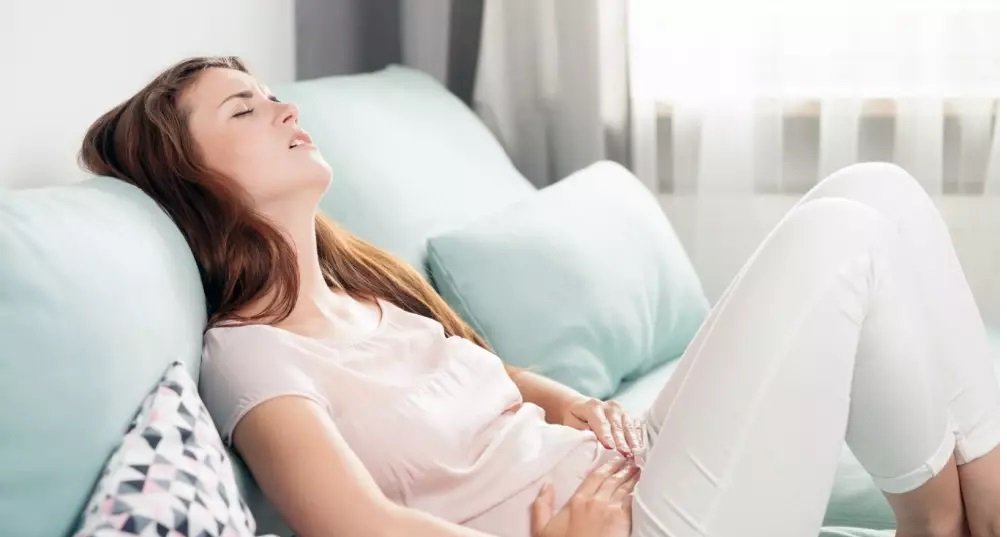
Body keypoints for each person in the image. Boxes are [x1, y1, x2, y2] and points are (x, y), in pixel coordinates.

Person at [78, 56, 999, 537]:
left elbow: (470, 380)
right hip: (634, 527)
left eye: (272, 93)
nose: (284, 109)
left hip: (635, 468)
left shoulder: (365, 291)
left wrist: (566, 401)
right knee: (836, 239)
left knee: (873, 189)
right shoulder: (249, 355)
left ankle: (971, 515)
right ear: (191, 178)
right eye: (244, 109)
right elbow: (361, 526)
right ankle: (943, 523)